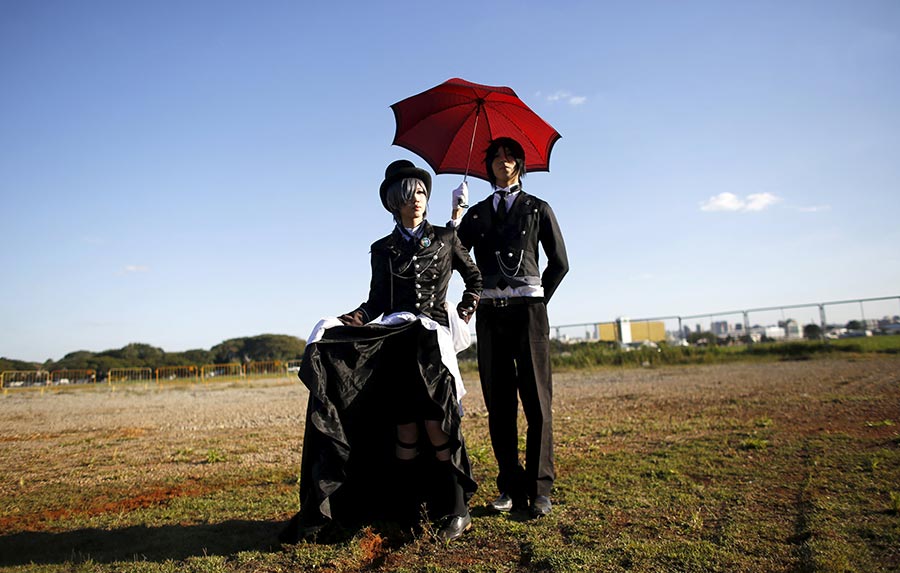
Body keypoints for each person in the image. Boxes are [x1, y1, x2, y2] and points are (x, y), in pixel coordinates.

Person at [280, 159, 482, 544]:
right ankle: (405, 508)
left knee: (438, 423)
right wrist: (345, 321)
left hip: (432, 345)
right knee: (405, 428)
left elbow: (474, 278)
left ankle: (458, 510)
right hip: (396, 345)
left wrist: (464, 309)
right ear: (394, 202)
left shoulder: (446, 238)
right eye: (408, 195)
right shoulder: (382, 249)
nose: (417, 200)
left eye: (421, 192)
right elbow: (375, 302)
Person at [449, 137, 568, 518]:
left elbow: (560, 263)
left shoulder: (538, 208)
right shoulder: (477, 214)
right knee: (499, 406)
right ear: (488, 165)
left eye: (510, 155)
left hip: (529, 315)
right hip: (490, 316)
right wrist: (456, 214)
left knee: (537, 403)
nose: (503, 161)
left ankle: (540, 489)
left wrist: (538, 300)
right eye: (496, 156)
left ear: (520, 163)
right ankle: (511, 488)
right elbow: (449, 254)